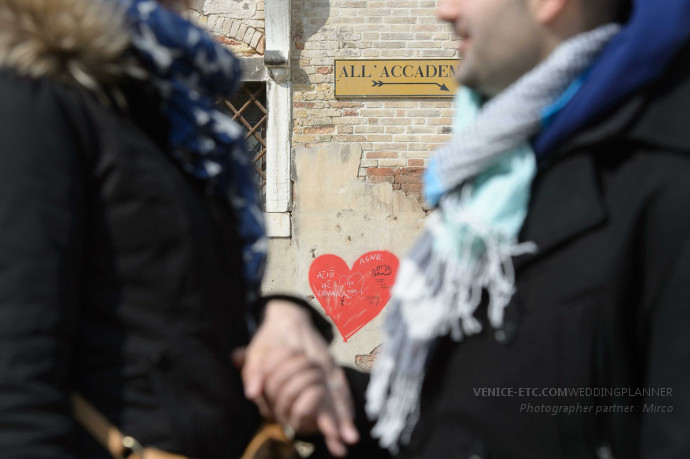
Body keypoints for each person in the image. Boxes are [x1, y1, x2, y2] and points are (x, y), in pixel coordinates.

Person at [249, 0, 690, 457]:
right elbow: (465, 415)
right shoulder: (494, 177)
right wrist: (332, 397)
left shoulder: (667, 178)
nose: (444, 10)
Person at [0, 0, 357, 457]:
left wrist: (277, 316)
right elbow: (16, 383)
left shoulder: (166, 100)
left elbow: (174, 306)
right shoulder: (33, 97)